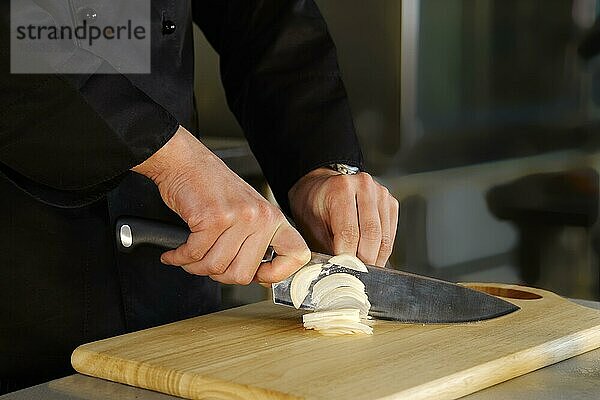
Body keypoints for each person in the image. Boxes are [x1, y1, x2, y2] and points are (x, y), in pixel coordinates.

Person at [0, 0, 398, 393]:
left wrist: (319, 163)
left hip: (177, 274)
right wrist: (174, 161)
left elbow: (264, 15)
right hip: (28, 264)